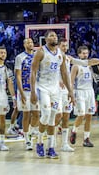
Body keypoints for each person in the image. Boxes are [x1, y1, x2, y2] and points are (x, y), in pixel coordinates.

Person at [30, 30, 74, 159]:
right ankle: (39, 142)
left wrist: (71, 92)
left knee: (54, 117)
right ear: (46, 39)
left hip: (56, 90)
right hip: (42, 88)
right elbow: (33, 72)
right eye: (51, 36)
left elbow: (65, 74)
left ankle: (50, 147)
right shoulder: (40, 52)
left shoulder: (61, 54)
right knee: (46, 114)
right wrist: (33, 91)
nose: (53, 37)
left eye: (55, 35)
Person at [70, 45, 99, 148]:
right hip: (79, 91)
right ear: (79, 54)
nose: (85, 55)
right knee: (81, 114)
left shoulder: (90, 65)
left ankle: (86, 139)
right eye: (83, 53)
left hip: (90, 92)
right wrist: (71, 94)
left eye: (86, 53)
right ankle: (74, 131)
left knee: (89, 116)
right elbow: (71, 81)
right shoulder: (76, 66)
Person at [14, 38, 39, 150]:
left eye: (31, 42)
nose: (30, 44)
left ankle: (31, 131)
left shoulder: (37, 56)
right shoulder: (20, 57)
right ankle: (27, 140)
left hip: (36, 89)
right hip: (24, 90)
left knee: (37, 114)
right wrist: (21, 91)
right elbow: (18, 75)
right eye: (28, 42)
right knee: (26, 115)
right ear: (24, 45)